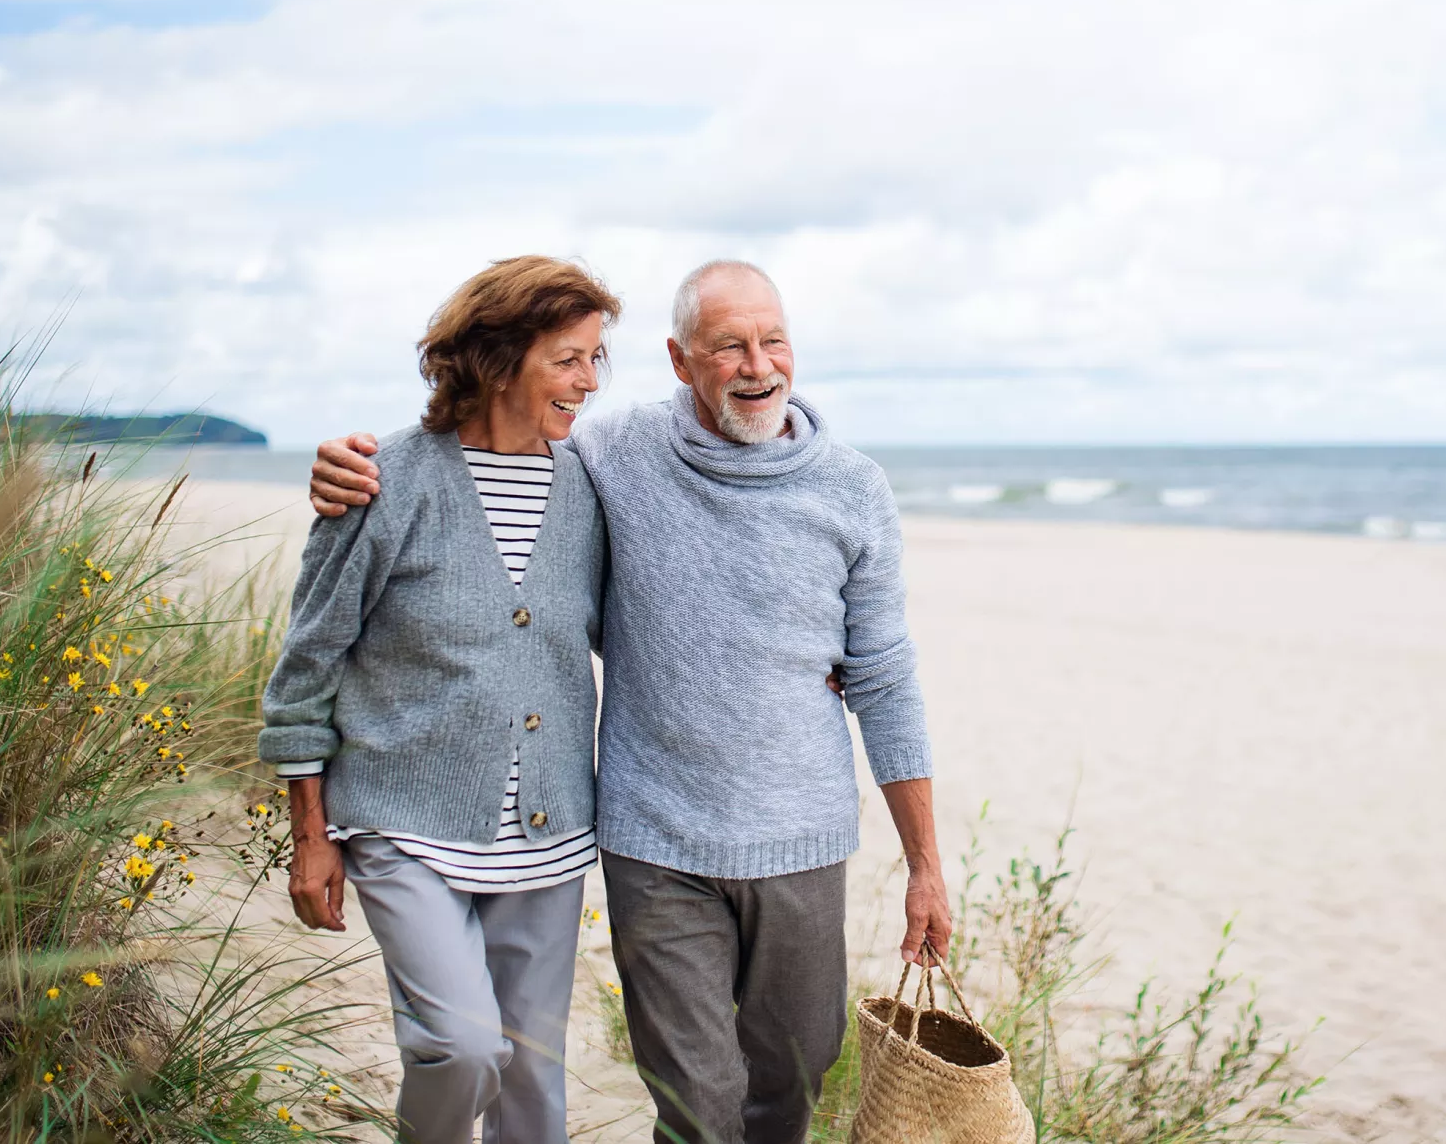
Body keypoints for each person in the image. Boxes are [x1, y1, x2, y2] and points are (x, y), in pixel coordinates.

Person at [308, 259, 948, 1144]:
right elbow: (491, 452)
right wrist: (348, 466)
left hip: (799, 834)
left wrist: (924, 862)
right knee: (694, 1101)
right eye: (729, 345)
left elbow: (883, 673)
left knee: (795, 1073)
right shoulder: (610, 455)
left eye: (773, 340)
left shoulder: (854, 489)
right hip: (653, 839)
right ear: (682, 361)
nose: (758, 365)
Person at [263, 256, 618, 1144]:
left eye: (596, 359)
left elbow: (640, 621)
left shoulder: (590, 487)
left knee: (534, 1078)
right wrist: (311, 837)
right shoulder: (385, 481)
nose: (588, 382)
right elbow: (307, 665)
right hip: (401, 821)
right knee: (462, 1048)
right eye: (569, 358)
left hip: (547, 831)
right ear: (498, 358)